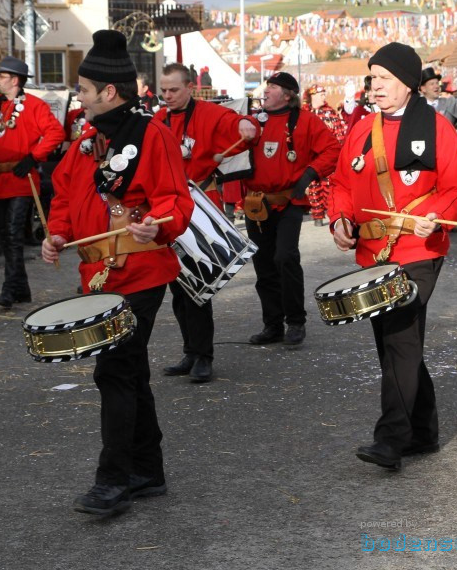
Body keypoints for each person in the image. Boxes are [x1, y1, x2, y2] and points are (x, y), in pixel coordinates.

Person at [41, 29, 193, 517]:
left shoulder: (154, 134)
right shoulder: (86, 138)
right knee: (129, 373)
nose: (77, 97)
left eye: (83, 89)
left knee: (115, 371)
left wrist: (159, 225)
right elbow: (64, 194)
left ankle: (113, 482)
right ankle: (147, 471)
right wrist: (57, 234)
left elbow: (176, 199)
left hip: (142, 270)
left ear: (109, 92)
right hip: (96, 275)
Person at [329, 42, 457, 470]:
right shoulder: (361, 129)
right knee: (396, 342)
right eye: (373, 78)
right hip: (372, 252)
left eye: (385, 79)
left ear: (409, 84)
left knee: (398, 337)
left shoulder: (436, 128)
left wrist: (439, 216)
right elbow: (340, 182)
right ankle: (423, 430)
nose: (376, 87)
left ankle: (391, 439)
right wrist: (340, 220)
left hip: (417, 249)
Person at [152, 62, 258, 383]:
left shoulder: (209, 114)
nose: (167, 96)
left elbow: (239, 121)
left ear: (190, 88)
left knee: (198, 286)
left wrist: (247, 125)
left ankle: (204, 356)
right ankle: (189, 350)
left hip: (198, 207)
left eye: (173, 90)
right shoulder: (157, 120)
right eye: (163, 91)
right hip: (167, 208)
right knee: (177, 286)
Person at [242, 71, 340, 347]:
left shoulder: (306, 120)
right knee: (263, 265)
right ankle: (272, 325)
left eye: (271, 87)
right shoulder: (253, 121)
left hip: (288, 201)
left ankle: (295, 321)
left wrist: (310, 173)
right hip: (257, 204)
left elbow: (332, 149)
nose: (265, 90)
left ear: (287, 94)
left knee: (285, 258)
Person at [0, 56, 64, 308]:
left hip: (20, 178)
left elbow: (55, 133)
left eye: (0, 76)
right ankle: (21, 287)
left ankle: (9, 287)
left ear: (14, 80)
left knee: (14, 233)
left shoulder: (34, 106)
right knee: (2, 235)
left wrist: (33, 156)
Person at [304, 85, 349, 226]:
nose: (324, 97)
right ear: (313, 96)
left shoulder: (330, 112)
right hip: (311, 156)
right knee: (313, 186)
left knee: (328, 185)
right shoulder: (305, 113)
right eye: (321, 94)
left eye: (324, 94)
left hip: (328, 156)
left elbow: (340, 133)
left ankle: (332, 214)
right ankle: (317, 215)